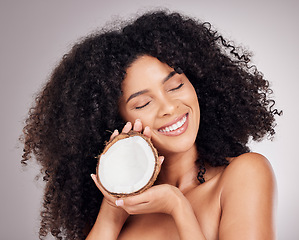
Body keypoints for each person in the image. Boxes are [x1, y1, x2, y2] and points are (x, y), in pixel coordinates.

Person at [21, 10, 281, 240]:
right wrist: (113, 209)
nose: (169, 107)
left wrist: (178, 207)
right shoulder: (124, 208)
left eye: (176, 86)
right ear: (117, 121)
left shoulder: (244, 174)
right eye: (143, 103)